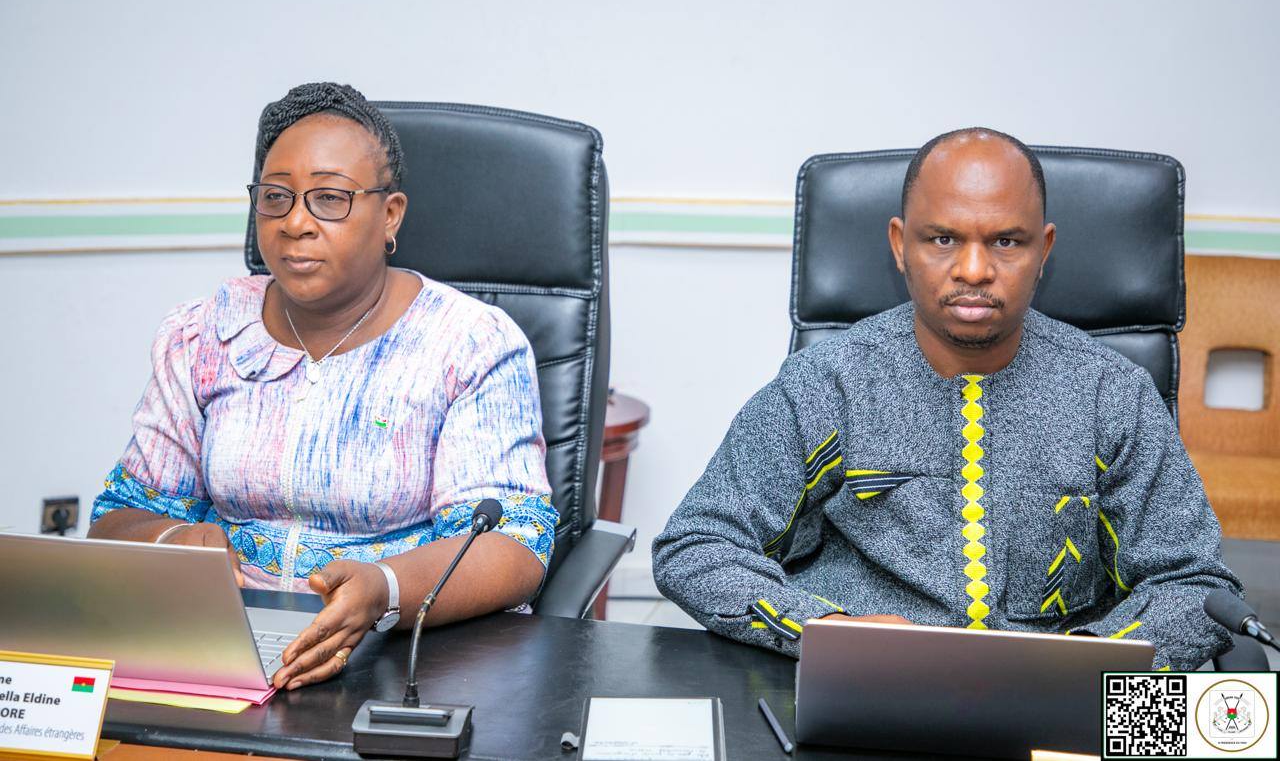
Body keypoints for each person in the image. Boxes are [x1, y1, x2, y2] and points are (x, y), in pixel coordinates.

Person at [652, 127, 1241, 670]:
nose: (974, 269)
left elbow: (1196, 586)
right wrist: (824, 631)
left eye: (1006, 241)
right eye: (943, 239)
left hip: (1067, 700)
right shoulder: (828, 382)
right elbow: (697, 546)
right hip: (871, 687)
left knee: (1226, 732)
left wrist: (1090, 667)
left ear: (1044, 249)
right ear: (899, 244)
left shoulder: (1112, 393)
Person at [89, 83, 557, 691]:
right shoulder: (201, 336)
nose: (296, 223)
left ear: (390, 215)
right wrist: (173, 537)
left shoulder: (467, 342)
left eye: (330, 199)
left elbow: (512, 546)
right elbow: (117, 520)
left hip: (403, 656)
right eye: (275, 198)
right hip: (220, 646)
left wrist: (384, 588)